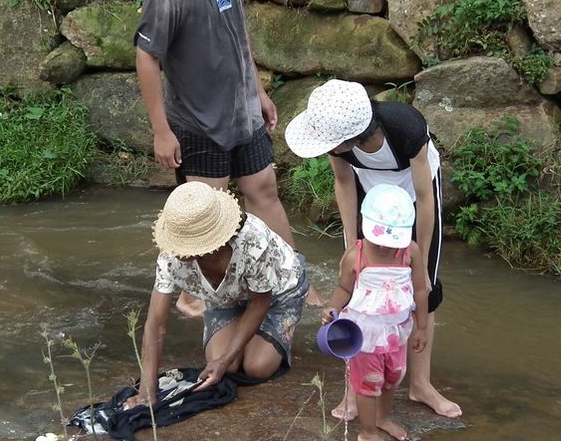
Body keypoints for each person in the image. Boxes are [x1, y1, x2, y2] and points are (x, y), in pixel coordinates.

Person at [133, 0, 320, 314]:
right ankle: (189, 298)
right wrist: (161, 131)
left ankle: (294, 283)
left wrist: (258, 91)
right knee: (206, 219)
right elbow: (146, 58)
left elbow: (239, 35)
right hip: (198, 124)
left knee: (265, 192)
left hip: (242, 117)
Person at [285, 79, 462, 419]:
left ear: (350, 137)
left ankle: (420, 384)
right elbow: (344, 182)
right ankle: (354, 392)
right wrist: (352, 246)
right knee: (357, 285)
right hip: (370, 196)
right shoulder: (339, 148)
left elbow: (425, 200)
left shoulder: (406, 128)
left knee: (424, 287)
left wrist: (421, 262)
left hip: (413, 198)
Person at [125, 182, 310, 408]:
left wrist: (224, 360)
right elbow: (155, 323)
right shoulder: (170, 258)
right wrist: (147, 389)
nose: (176, 251)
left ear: (210, 245)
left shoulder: (252, 241)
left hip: (279, 293)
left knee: (256, 368)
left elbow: (260, 303)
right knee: (226, 368)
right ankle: (243, 341)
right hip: (225, 299)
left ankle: (274, 334)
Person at [322, 184, 429, 441]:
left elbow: (420, 291)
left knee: (394, 377)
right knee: (369, 383)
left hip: (396, 331)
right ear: (363, 225)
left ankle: (381, 418)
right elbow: (344, 287)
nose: (383, 247)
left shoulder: (409, 252)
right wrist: (333, 308)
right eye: (378, 240)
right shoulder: (355, 256)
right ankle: (368, 432)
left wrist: (422, 327)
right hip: (364, 334)